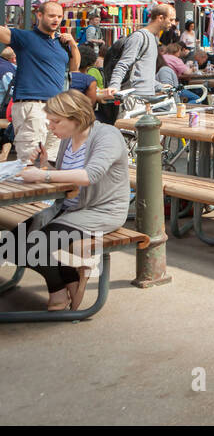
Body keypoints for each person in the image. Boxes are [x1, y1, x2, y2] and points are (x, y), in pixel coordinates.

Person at [9, 92, 129, 311]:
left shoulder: (107, 134)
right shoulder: (69, 139)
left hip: (102, 211)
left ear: (76, 117)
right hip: (68, 209)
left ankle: (57, 293)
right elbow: (69, 178)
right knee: (10, 244)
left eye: (55, 122)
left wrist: (42, 175)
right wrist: (46, 166)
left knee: (34, 245)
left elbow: (89, 175)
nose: (50, 127)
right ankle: (69, 274)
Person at [103, 4, 175, 107]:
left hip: (145, 99)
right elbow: (123, 64)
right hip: (134, 99)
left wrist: (159, 86)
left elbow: (142, 73)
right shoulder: (139, 37)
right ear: (160, 18)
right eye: (171, 19)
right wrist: (114, 86)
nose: (173, 23)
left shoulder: (153, 39)